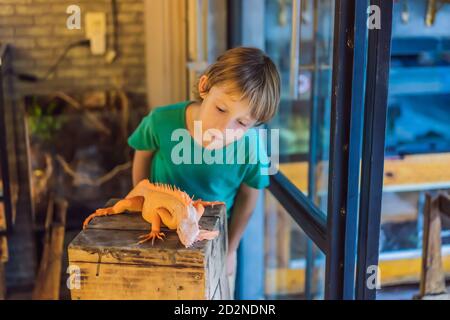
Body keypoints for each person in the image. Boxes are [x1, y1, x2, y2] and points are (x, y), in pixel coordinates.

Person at [128, 47, 280, 299]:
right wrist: (141, 208)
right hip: (159, 231)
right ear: (204, 86)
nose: (224, 128)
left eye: (241, 123)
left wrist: (231, 250)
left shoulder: (252, 147)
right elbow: (142, 156)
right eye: (221, 109)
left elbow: (249, 199)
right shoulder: (160, 121)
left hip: (216, 241)